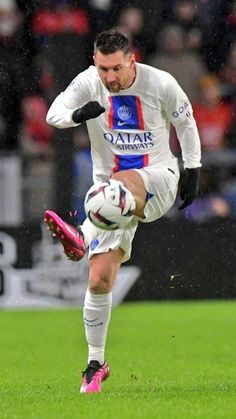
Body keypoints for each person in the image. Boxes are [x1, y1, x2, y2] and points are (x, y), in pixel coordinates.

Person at [44, 30, 201, 393]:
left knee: (122, 183)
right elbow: (55, 114)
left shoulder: (160, 82)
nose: (109, 77)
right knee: (99, 279)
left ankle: (82, 235)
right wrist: (80, 114)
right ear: (94, 63)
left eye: (116, 68)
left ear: (132, 60)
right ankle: (95, 364)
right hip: (109, 196)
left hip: (157, 178)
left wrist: (192, 170)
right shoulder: (89, 81)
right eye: (103, 69)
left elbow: (186, 123)